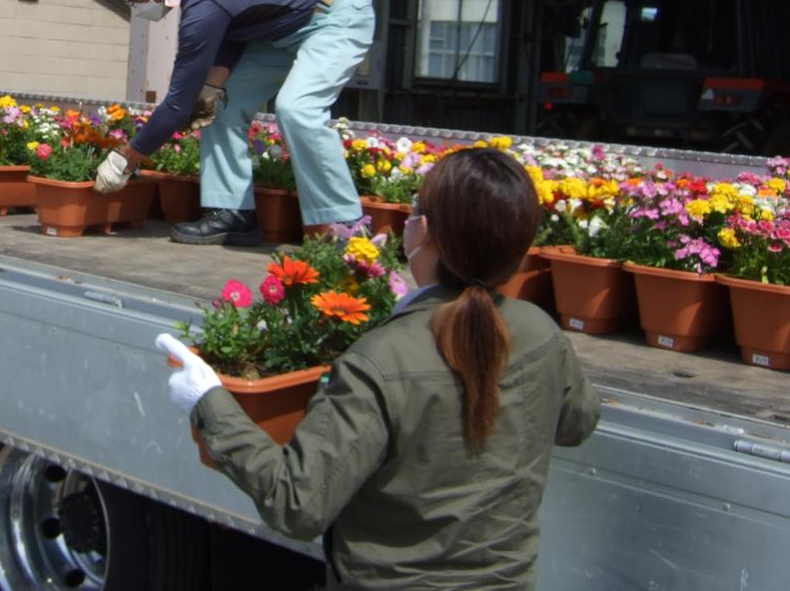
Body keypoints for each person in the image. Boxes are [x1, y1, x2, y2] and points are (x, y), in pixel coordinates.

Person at [156, 148, 602, 590]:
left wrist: (209, 401)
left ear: (424, 232)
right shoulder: (540, 332)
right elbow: (577, 422)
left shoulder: (381, 359)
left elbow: (297, 503)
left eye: (413, 210)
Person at [94, 0, 375, 245]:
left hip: (335, 15)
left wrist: (126, 158)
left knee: (297, 109)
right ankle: (233, 214)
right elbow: (234, 30)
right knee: (216, 103)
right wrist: (210, 88)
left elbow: (177, 105)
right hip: (280, 32)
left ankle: (348, 228)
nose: (136, 5)